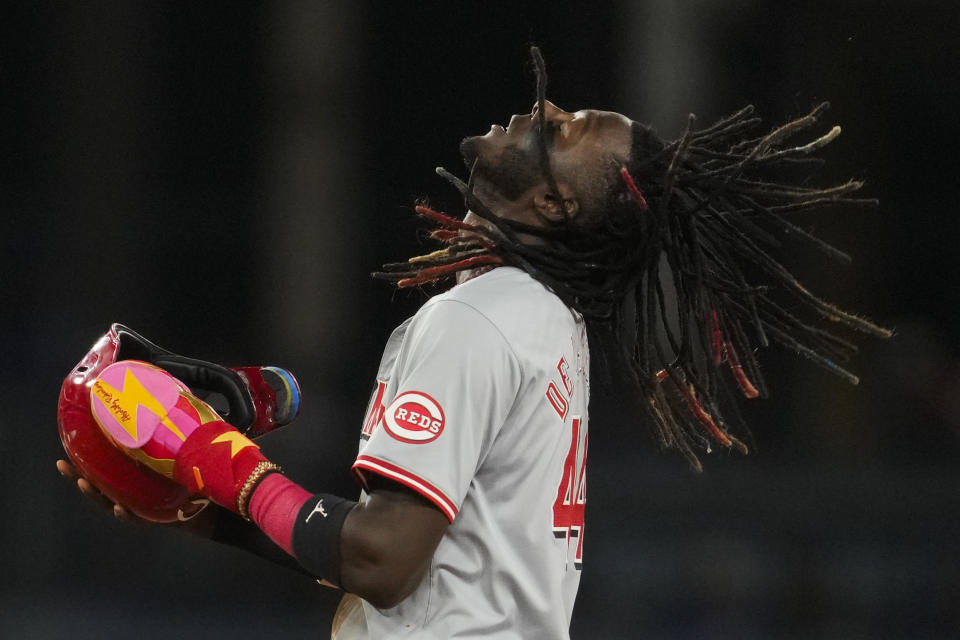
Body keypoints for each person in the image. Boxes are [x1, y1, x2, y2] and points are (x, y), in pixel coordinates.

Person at [57, 47, 889, 639]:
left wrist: (214, 457)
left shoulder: (481, 320)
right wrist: (204, 518)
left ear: (558, 210)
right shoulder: (542, 322)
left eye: (567, 133)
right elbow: (406, 575)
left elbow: (384, 563)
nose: (549, 110)